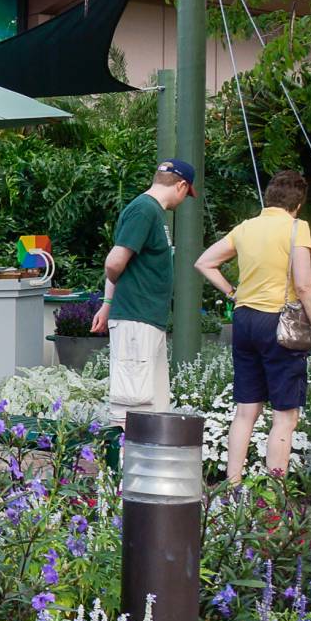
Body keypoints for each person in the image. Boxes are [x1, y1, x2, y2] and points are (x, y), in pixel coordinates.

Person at [194, 169, 311, 482]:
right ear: (298, 203)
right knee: (285, 415)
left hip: (244, 319)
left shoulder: (245, 228)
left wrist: (231, 291)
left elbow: (204, 262)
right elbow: (305, 285)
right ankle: (275, 493)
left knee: (246, 411)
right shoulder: (297, 228)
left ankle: (233, 486)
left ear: (268, 197)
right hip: (280, 323)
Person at [92, 160, 195, 424]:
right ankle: (123, 464)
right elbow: (115, 262)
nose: (184, 200)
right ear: (181, 186)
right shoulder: (144, 210)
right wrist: (118, 295)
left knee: (154, 403)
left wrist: (107, 303)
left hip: (146, 318)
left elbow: (123, 259)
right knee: (131, 402)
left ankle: (146, 463)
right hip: (136, 318)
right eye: (187, 193)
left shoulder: (151, 211)